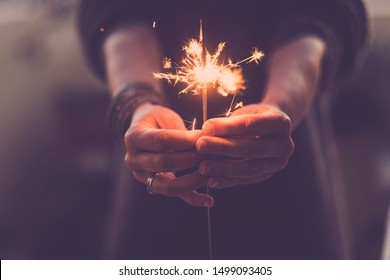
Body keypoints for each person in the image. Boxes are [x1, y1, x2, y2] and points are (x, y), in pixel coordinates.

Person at [78, 0, 367, 259]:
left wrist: (282, 103)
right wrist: (138, 102)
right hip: (156, 175)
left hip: (287, 178)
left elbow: (326, 10)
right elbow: (114, 10)